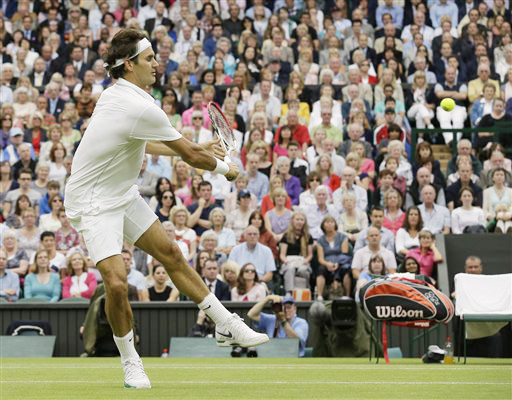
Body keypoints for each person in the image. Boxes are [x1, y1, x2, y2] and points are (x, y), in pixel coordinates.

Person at [63, 29, 268, 388]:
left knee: (172, 253)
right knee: (116, 283)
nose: (157, 64)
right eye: (149, 59)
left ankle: (224, 323)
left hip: (121, 194)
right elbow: (189, 155)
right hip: (93, 202)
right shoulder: (137, 103)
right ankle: (131, 363)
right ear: (128, 66)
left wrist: (197, 146)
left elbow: (152, 144)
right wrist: (226, 169)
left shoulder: (121, 96)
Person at [316, 216, 352, 300]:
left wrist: (337, 263)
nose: (329, 224)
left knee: (346, 269)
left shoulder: (342, 237)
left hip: (341, 262)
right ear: (323, 225)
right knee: (320, 269)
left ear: (335, 224)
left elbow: (344, 253)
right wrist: (327, 264)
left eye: (331, 222)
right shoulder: (320, 240)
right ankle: (319, 295)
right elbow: (320, 258)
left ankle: (347, 295)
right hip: (327, 263)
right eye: (327, 222)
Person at [279, 211, 314, 296]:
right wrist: (285, 261)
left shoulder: (308, 237)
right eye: (297, 219)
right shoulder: (286, 236)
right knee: (290, 269)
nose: (299, 222)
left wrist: (306, 260)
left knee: (303, 271)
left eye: (301, 220)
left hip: (302, 261)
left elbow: (310, 254)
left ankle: (304, 293)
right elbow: (282, 254)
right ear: (292, 221)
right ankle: (289, 293)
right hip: (289, 261)